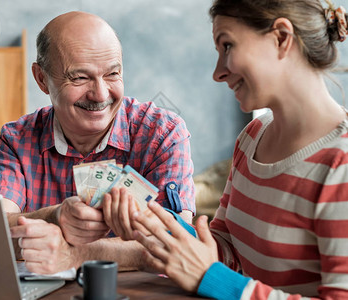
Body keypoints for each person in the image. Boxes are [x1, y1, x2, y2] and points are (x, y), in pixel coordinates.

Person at [128, 0, 348, 299]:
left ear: (281, 38)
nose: (218, 73)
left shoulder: (341, 165)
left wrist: (215, 281)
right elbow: (226, 249)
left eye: (227, 46)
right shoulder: (253, 137)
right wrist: (153, 224)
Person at [0, 11, 196, 274]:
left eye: (112, 74)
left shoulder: (163, 133)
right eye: (80, 77)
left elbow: (180, 243)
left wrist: (75, 254)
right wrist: (54, 217)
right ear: (41, 79)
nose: (101, 94)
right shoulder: (17, 139)